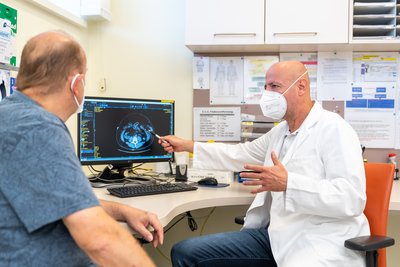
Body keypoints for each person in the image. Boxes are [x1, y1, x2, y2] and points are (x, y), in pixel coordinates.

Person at [160, 61, 369, 267]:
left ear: (301, 87)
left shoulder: (334, 129)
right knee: (185, 252)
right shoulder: (280, 132)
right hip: (276, 237)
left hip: (320, 240)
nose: (268, 94)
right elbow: (239, 154)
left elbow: (351, 198)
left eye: (275, 86)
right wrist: (187, 146)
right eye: (266, 87)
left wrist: (289, 183)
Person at [0, 31, 163, 267]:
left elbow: (65, 201)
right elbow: (100, 239)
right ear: (76, 84)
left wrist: (122, 211)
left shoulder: (11, 115)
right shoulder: (39, 128)